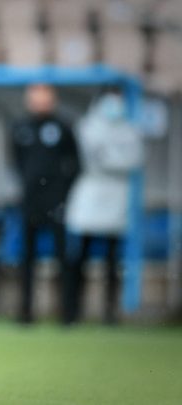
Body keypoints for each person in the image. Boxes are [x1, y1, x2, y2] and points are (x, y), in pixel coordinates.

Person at [65, 91, 144, 324]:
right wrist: (115, 157)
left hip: (118, 199)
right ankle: (73, 311)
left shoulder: (130, 129)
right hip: (91, 195)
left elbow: (134, 159)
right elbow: (95, 158)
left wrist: (111, 157)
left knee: (113, 260)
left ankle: (110, 312)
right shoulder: (87, 126)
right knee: (81, 256)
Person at [11, 83, 80, 324]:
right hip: (30, 201)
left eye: (44, 98)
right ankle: (25, 313)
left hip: (57, 201)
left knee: (64, 257)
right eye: (35, 98)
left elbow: (75, 164)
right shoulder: (20, 127)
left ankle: (68, 314)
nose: (39, 102)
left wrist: (61, 192)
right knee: (27, 259)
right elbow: (16, 161)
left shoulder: (62, 127)